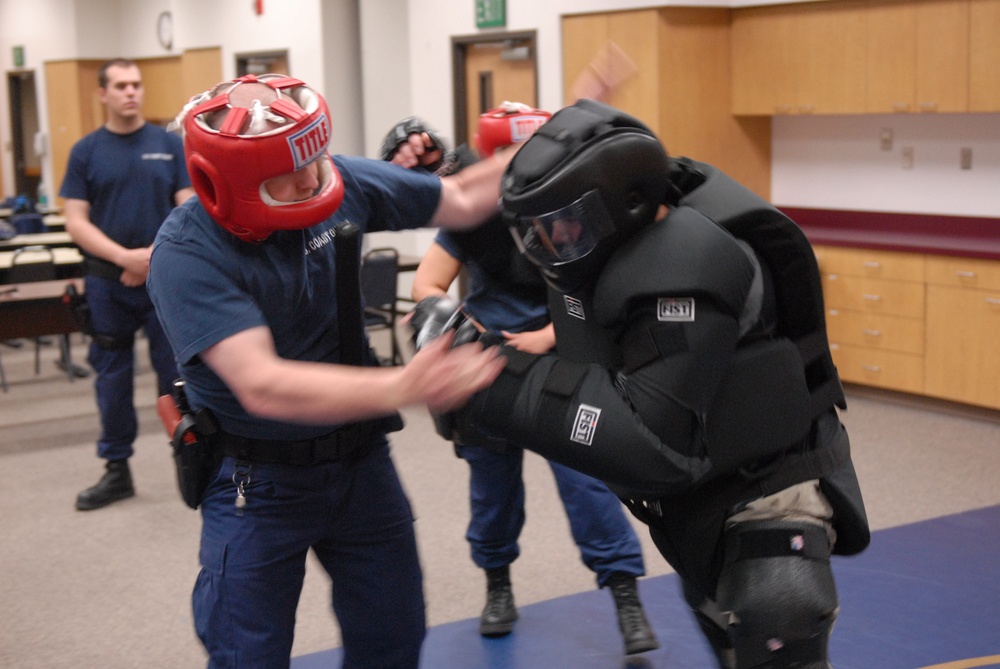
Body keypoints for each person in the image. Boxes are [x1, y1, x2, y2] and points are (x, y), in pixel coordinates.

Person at [411, 99, 871, 669]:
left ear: (622, 203)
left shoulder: (692, 262)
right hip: (707, 490)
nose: (550, 245)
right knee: (726, 636)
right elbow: (595, 375)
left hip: (772, 496)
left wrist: (490, 382)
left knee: (774, 614)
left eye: (563, 225)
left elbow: (651, 444)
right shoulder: (612, 244)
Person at [146, 73, 508, 669]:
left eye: (314, 157)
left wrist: (552, 139)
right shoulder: (187, 252)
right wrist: (404, 385)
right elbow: (261, 382)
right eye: (289, 171)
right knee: (247, 656)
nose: (312, 177)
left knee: (394, 639)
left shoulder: (335, 179)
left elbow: (466, 199)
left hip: (359, 462)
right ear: (228, 182)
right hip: (256, 480)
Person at [391, 109, 659, 654]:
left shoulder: (578, 203)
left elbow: (608, 287)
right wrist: (454, 322)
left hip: (566, 357)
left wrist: (545, 337)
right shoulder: (473, 213)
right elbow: (427, 281)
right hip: (490, 367)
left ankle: (624, 593)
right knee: (492, 489)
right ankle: (498, 585)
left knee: (588, 482)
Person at [60, 58, 194, 511]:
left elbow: (188, 207)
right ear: (103, 94)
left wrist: (152, 258)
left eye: (136, 84)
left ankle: (192, 458)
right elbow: (75, 221)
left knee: (177, 376)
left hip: (164, 280)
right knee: (112, 379)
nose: (130, 92)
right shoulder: (86, 151)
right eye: (120, 86)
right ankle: (117, 469)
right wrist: (124, 258)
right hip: (108, 281)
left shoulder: (168, 145)